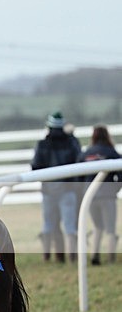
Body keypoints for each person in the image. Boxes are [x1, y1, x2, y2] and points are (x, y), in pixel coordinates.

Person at [31, 111, 82, 262]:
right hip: (68, 189)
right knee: (70, 226)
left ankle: (47, 256)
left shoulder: (42, 144)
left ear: (49, 126)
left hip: (48, 190)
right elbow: (79, 161)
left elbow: (35, 167)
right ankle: (73, 257)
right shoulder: (71, 142)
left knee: (48, 224)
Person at [78, 124, 120, 264]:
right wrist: (115, 188)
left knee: (97, 226)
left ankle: (94, 255)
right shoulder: (111, 152)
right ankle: (110, 258)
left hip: (90, 196)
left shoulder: (86, 153)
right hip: (107, 195)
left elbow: (78, 174)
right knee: (110, 228)